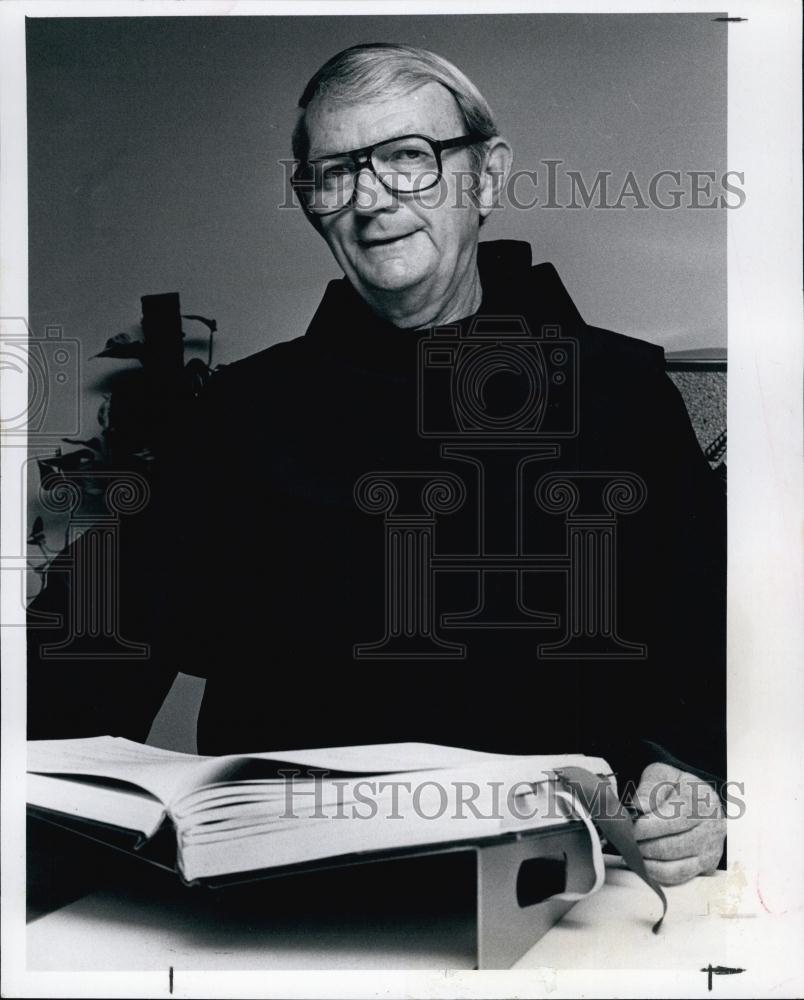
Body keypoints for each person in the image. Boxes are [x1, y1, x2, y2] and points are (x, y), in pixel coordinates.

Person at [28, 43, 726, 886]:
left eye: (408, 158)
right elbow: (93, 637)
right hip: (287, 889)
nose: (371, 199)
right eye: (335, 172)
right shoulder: (242, 414)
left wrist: (692, 785)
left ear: (489, 175)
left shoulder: (623, 391)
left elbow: (712, 654)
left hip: (559, 888)